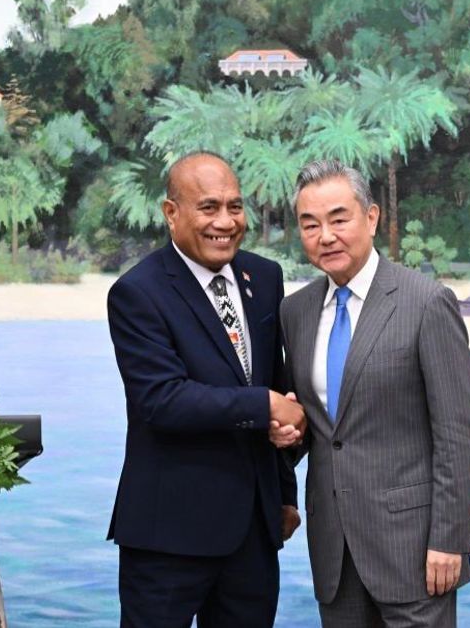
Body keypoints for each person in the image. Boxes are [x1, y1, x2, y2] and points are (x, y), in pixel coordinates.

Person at [275, 160, 470, 627]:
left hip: (416, 551)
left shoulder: (426, 302)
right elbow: (323, 427)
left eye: (338, 219)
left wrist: (450, 539)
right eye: (310, 224)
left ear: (371, 218)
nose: (326, 236)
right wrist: (289, 435)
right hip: (334, 550)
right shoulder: (296, 312)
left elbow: (457, 435)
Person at [106, 151, 306, 628]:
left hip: (254, 534)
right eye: (208, 207)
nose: (225, 222)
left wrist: (284, 493)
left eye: (235, 207)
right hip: (168, 537)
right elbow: (162, 400)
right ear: (171, 213)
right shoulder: (137, 293)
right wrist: (263, 405)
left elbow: (277, 386)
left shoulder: (265, 277)